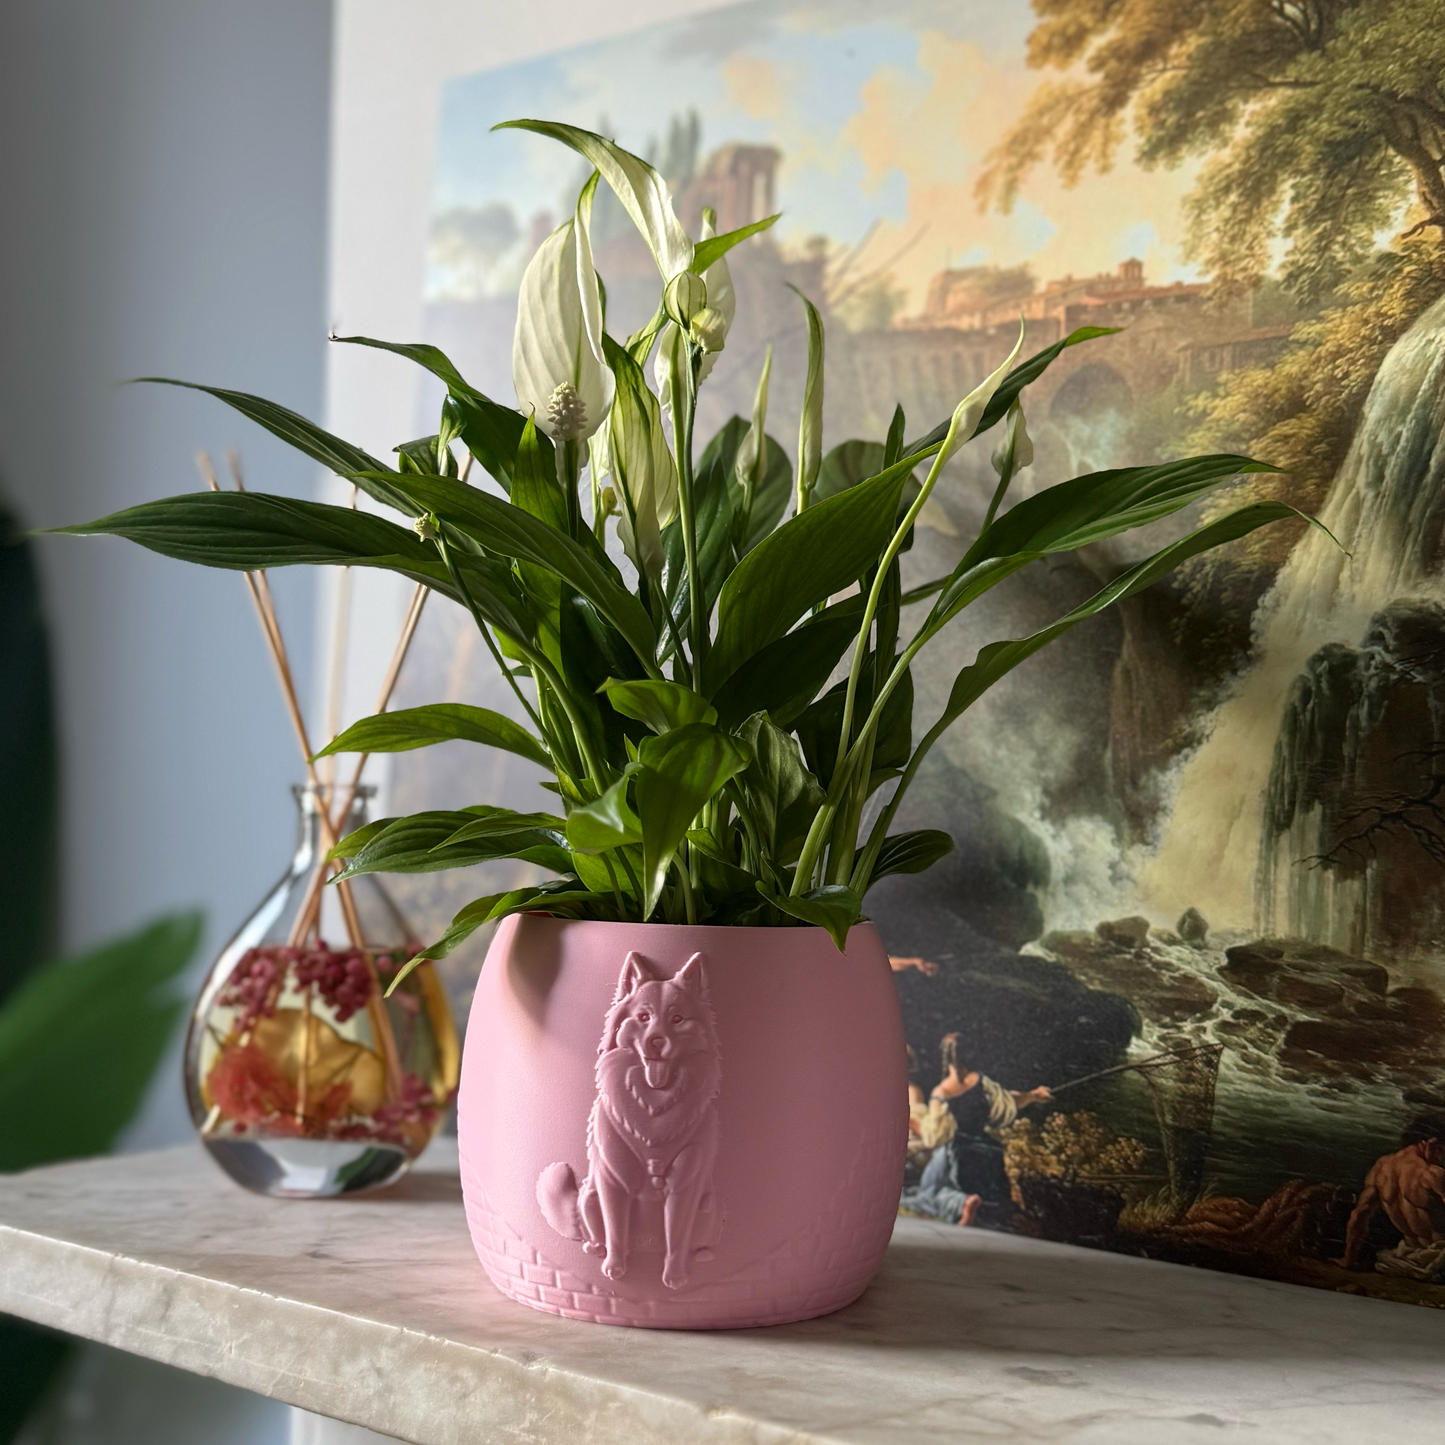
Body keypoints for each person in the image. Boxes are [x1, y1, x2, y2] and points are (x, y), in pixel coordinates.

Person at [900, 1033, 1052, 1228]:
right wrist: (1033, 1095)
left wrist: (911, 1123)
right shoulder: (981, 1082)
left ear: (946, 1058)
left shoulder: (943, 1092)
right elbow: (1008, 1101)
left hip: (956, 1154)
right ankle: (1005, 1217)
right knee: (995, 1197)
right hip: (986, 1150)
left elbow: (933, 1136)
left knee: (928, 1191)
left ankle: (962, 1205)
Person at [1334, 1123, 1445, 1281]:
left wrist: (1348, 1259)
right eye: (1440, 1150)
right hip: (1439, 1258)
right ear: (1429, 1142)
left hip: (1405, 1257)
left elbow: (1359, 1215)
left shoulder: (1380, 1168)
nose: (1439, 1157)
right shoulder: (1432, 1174)